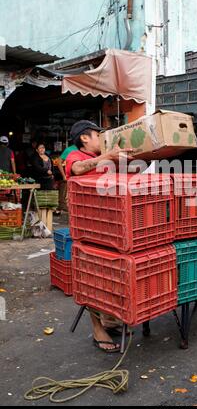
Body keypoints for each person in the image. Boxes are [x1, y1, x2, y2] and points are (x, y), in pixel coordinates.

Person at [66, 120, 133, 352]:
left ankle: (109, 319)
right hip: (87, 230)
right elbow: (76, 170)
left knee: (111, 276)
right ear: (85, 138)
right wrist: (107, 156)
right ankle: (97, 329)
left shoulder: (106, 159)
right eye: (97, 135)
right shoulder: (75, 156)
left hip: (110, 226)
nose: (101, 139)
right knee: (91, 280)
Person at [56, 143, 77, 212]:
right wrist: (64, 175)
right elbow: (59, 162)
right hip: (71, 178)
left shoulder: (87, 148)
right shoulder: (69, 149)